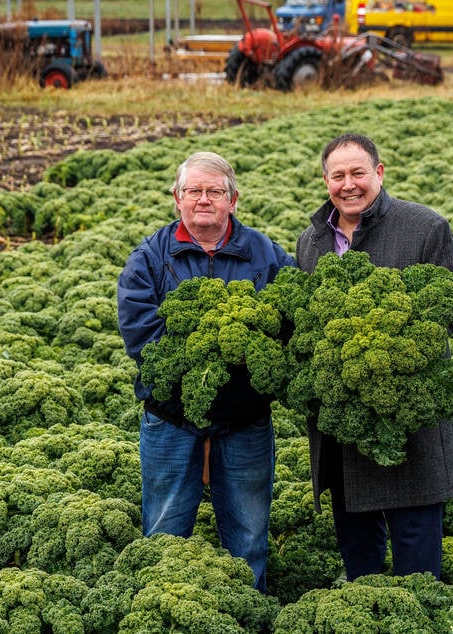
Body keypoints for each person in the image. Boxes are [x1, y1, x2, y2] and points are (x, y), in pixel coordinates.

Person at [117, 151, 295, 592]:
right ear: (177, 198)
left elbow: (292, 321)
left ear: (233, 200)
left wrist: (242, 363)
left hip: (244, 419)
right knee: (163, 531)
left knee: (250, 537)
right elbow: (140, 330)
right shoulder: (150, 257)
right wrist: (204, 358)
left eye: (215, 191)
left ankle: (247, 608)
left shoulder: (267, 255)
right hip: (171, 417)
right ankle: (160, 606)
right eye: (193, 190)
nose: (203, 199)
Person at [295, 133, 453, 581]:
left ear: (379, 173)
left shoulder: (425, 227)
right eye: (338, 175)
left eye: (358, 173)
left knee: (417, 555)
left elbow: (451, 306)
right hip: (343, 427)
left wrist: (392, 347)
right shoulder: (310, 242)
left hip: (408, 419)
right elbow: (304, 322)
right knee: (359, 556)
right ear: (325, 180)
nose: (348, 184)